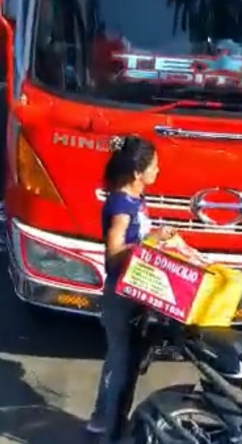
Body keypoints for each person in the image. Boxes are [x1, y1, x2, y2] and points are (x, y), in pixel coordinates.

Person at [87, 135, 174, 442]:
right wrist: (152, 242)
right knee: (120, 361)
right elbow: (114, 253)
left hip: (133, 292)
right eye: (154, 167)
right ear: (138, 173)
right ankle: (106, 426)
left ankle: (105, 420)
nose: (157, 172)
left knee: (125, 360)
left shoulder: (135, 200)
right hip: (120, 296)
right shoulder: (122, 206)